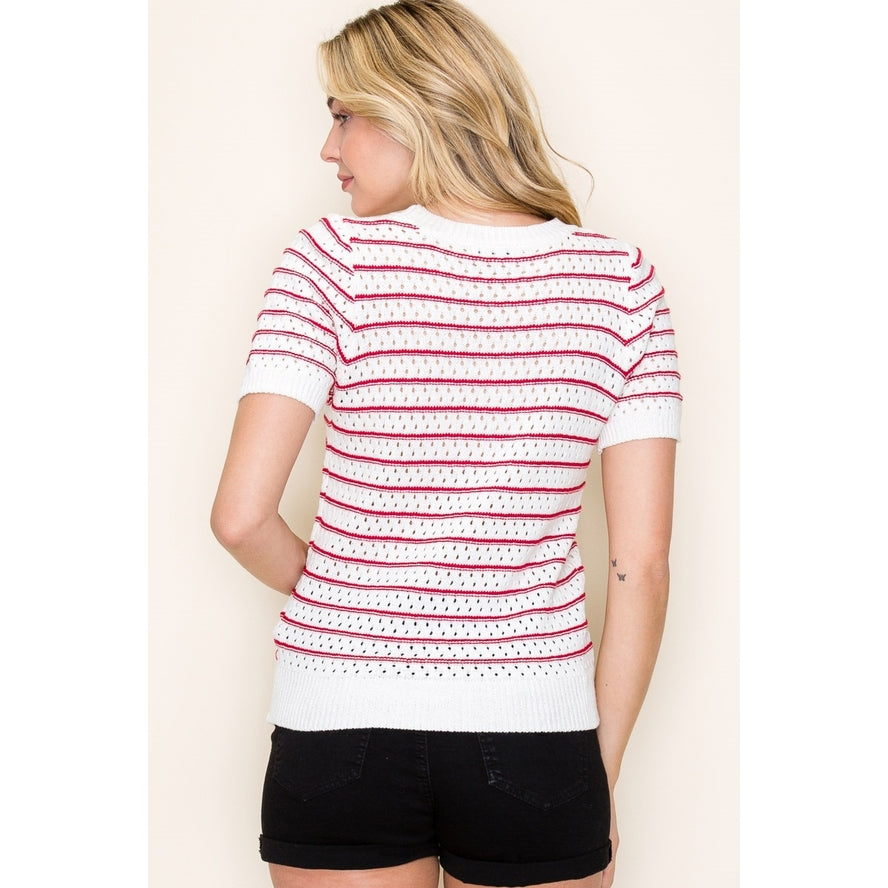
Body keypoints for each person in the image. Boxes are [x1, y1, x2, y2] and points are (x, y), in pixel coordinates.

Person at [211, 1, 680, 886]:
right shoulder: (623, 283)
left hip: (336, 722)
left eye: (343, 116)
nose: (328, 149)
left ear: (413, 107)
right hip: (536, 733)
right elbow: (642, 567)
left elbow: (240, 519)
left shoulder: (328, 261)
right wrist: (598, 769)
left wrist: (346, 592)